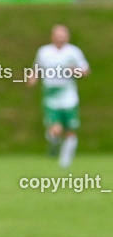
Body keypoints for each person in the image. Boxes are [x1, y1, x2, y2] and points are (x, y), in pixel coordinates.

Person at [26, 24, 89, 167]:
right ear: (52, 36)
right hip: (51, 95)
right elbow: (37, 68)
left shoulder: (74, 52)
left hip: (69, 96)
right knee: (55, 130)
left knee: (70, 131)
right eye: (57, 35)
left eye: (63, 35)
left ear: (67, 36)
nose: (60, 38)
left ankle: (64, 162)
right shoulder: (44, 51)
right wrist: (32, 78)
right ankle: (54, 143)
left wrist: (75, 71)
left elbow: (85, 71)